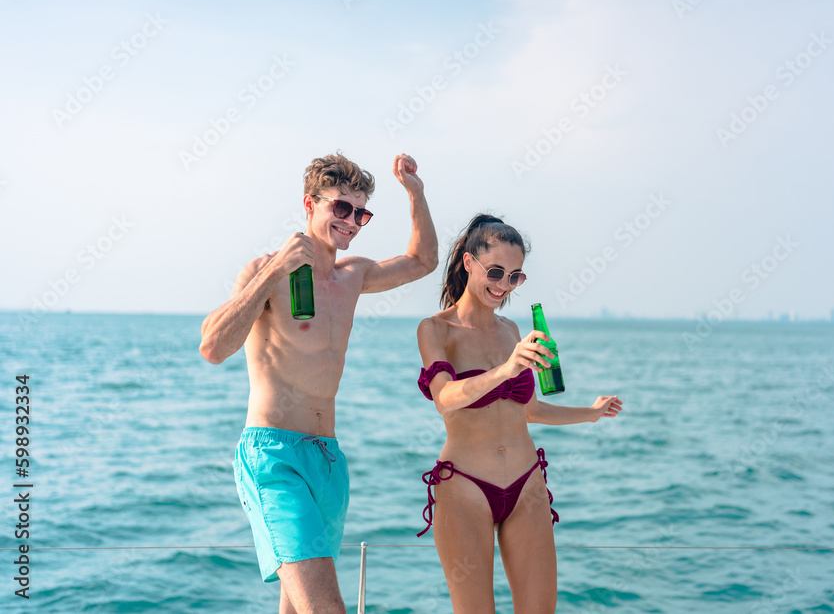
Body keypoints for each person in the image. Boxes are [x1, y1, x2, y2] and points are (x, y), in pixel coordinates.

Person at [199, 152, 437, 614]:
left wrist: (416, 192)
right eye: (340, 208)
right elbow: (212, 347)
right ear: (309, 203)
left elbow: (422, 260)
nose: (351, 221)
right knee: (326, 608)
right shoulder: (264, 270)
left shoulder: (354, 276)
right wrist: (273, 271)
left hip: (329, 460)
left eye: (360, 212)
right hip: (274, 456)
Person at [415, 213, 623, 612]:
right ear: (468, 262)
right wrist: (509, 368)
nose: (504, 286)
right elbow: (445, 398)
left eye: (515, 277)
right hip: (464, 486)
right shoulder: (435, 330)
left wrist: (590, 413)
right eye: (496, 272)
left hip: (527, 483)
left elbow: (528, 410)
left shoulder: (512, 330)